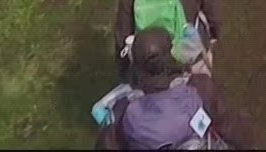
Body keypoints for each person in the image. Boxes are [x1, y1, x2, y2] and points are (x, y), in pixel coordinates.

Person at [94, 28, 242, 150]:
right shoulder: (200, 87)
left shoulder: (123, 109)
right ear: (170, 57)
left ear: (136, 65)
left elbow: (106, 145)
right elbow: (229, 126)